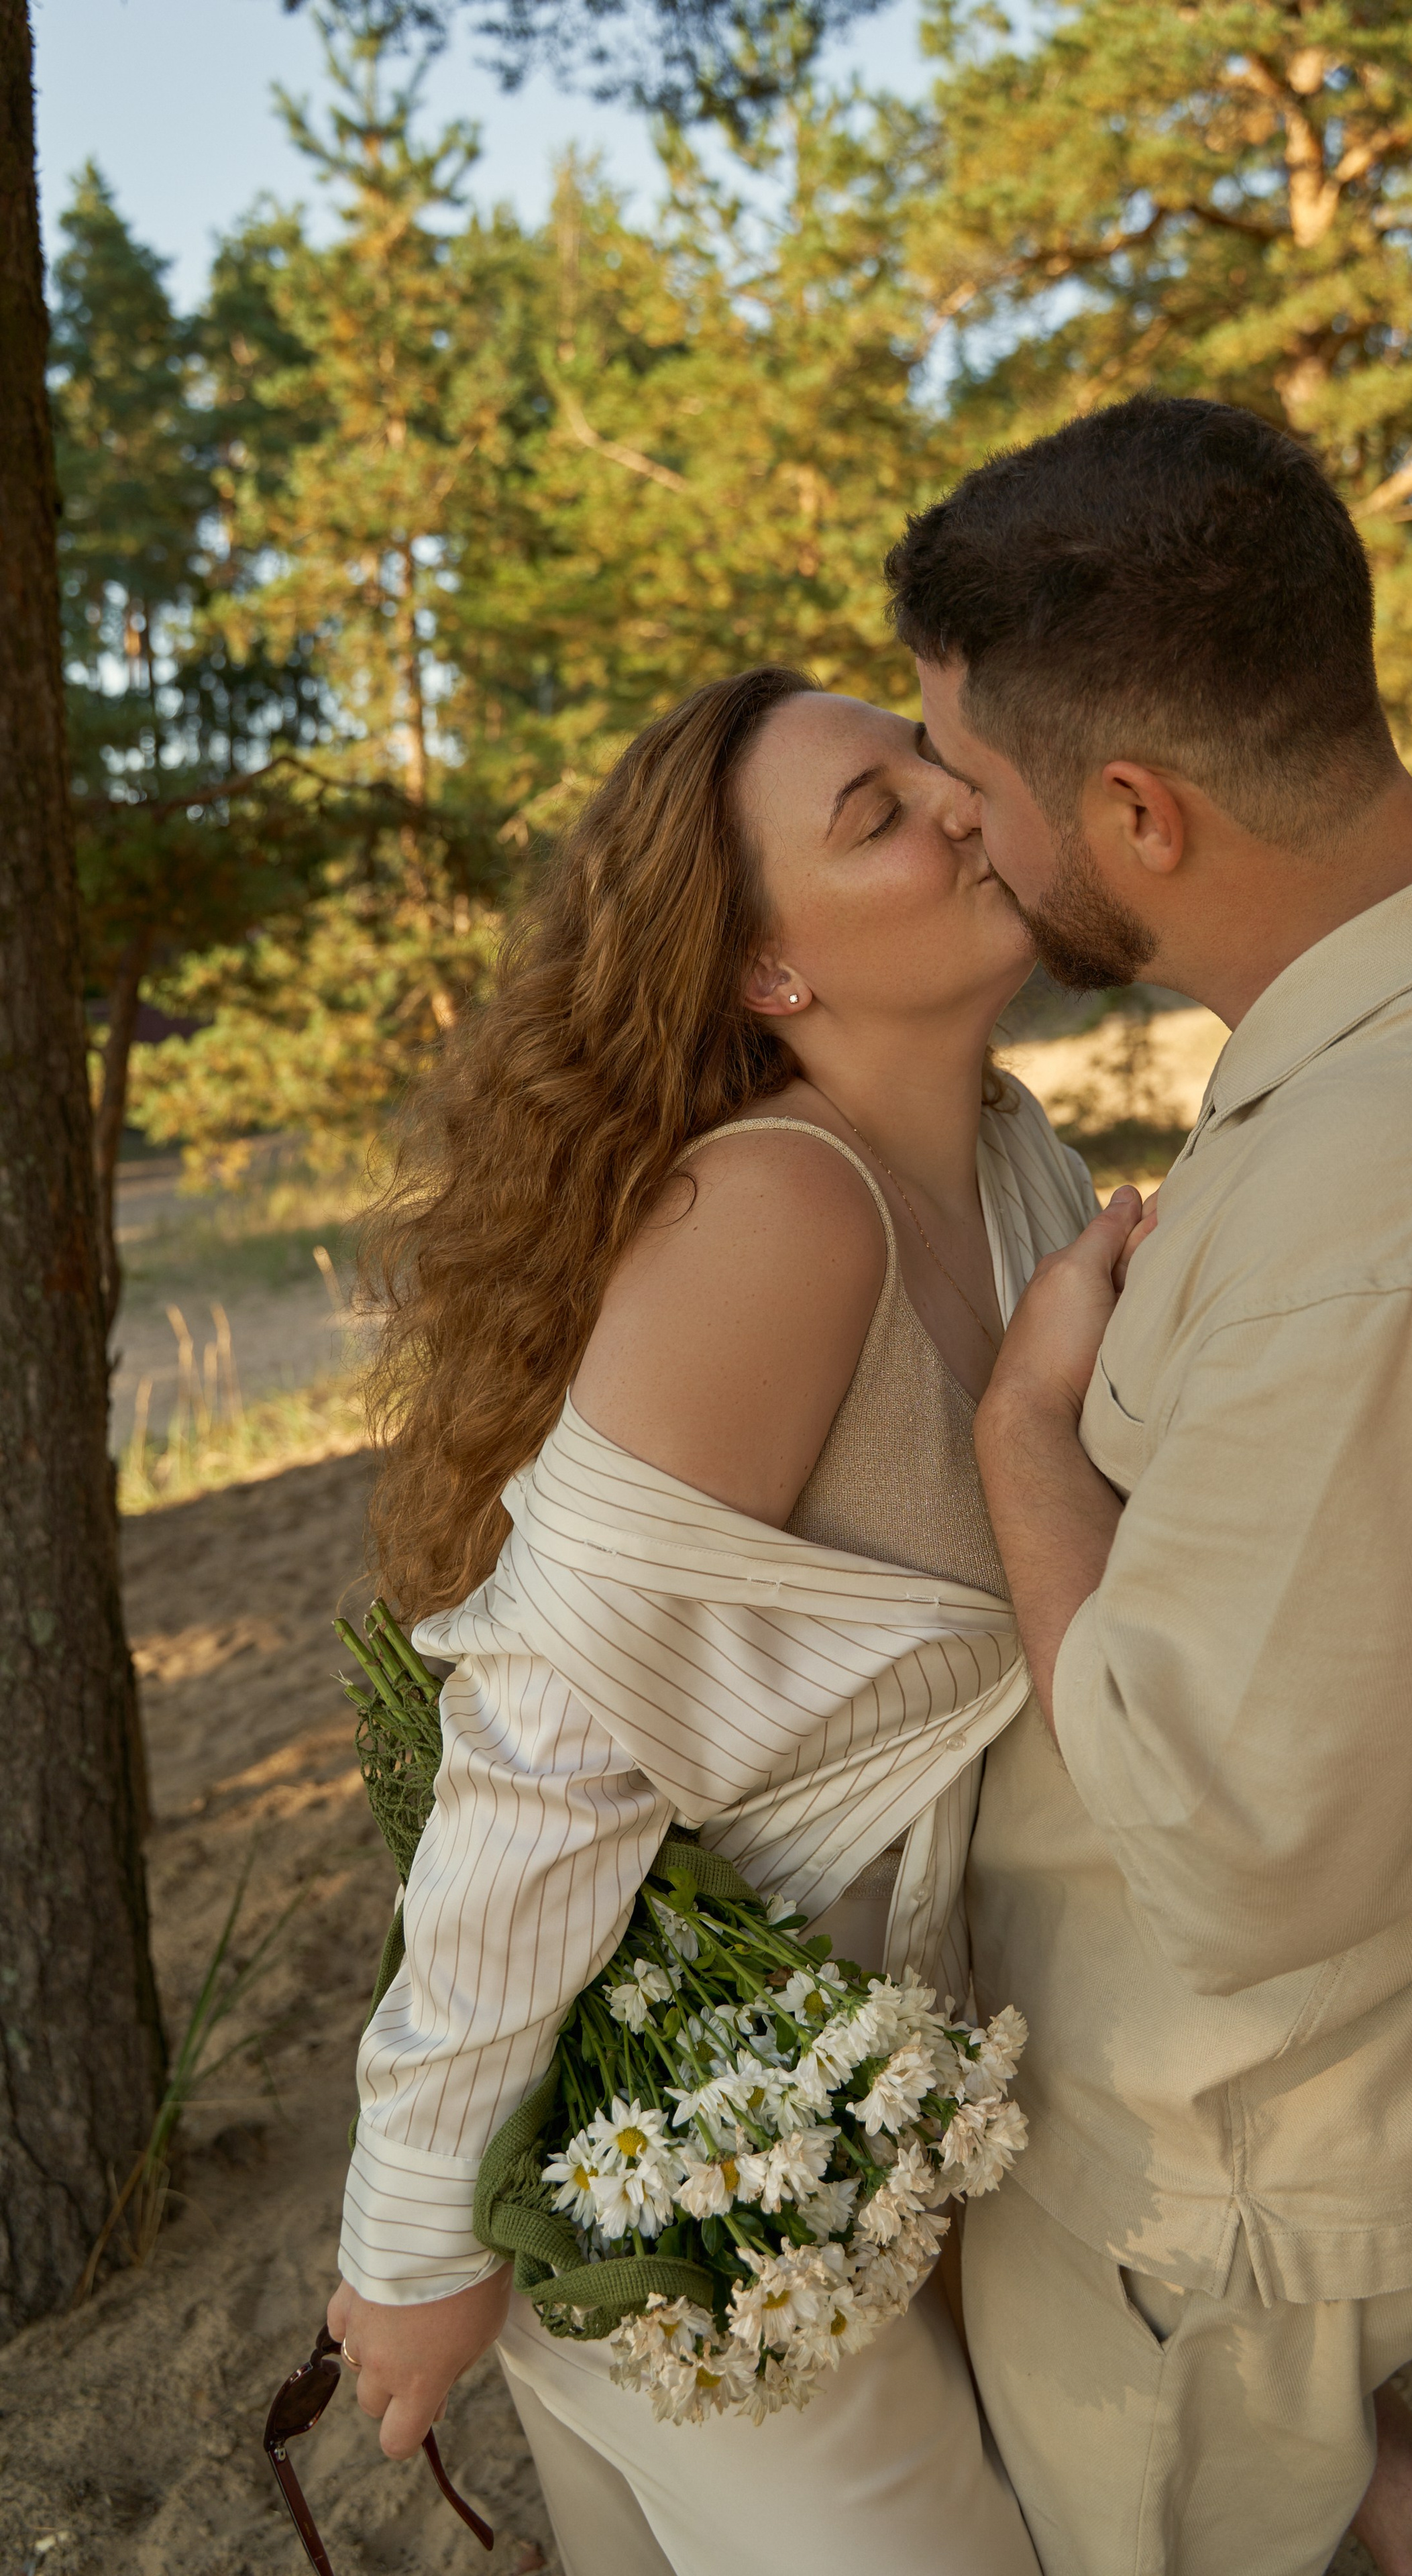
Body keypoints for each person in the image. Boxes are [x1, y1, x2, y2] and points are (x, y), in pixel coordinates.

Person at [886, 392, 1412, 2576]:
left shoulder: (1401, 1224)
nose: (960, 837)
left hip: (1220, 2175)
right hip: (1308, 2083)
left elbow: (1217, 1849)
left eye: (973, 788)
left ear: (1138, 811)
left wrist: (1020, 1438)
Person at [323, 665, 1100, 2575]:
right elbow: (545, 1754)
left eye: (934, 770)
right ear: (770, 976)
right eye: (876, 817)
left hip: (878, 2128)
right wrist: (411, 2238)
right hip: (689, 2166)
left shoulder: (1015, 1170)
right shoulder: (779, 1216)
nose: (956, 807)